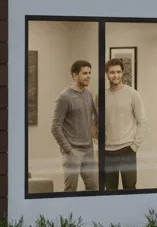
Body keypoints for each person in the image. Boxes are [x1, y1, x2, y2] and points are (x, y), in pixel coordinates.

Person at [99, 58, 148, 190]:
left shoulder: (133, 94)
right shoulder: (101, 96)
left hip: (127, 150)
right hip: (107, 152)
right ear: (107, 74)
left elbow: (142, 122)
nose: (116, 75)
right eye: (112, 72)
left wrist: (135, 147)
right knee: (110, 191)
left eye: (118, 72)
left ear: (122, 73)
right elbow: (96, 122)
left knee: (130, 189)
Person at [50, 59, 99, 192]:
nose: (88, 76)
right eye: (85, 73)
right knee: (71, 190)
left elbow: (93, 119)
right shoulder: (64, 97)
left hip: (88, 151)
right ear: (75, 75)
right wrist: (68, 149)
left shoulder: (88, 95)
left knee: (94, 188)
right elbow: (55, 127)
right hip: (73, 152)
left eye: (89, 73)